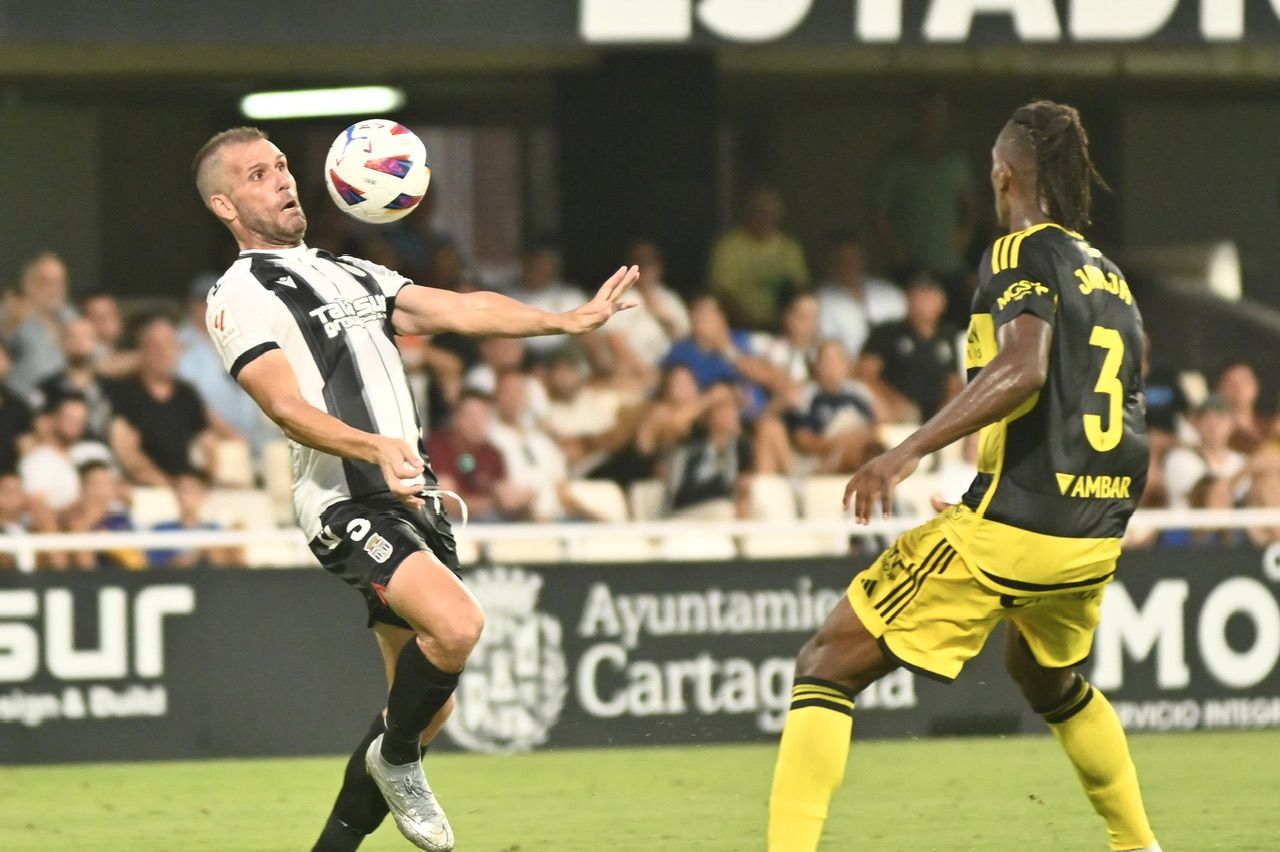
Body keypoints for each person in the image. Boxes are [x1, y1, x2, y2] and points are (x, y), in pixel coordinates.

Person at [192, 126, 636, 852]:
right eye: (256, 174)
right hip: (346, 500)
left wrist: (568, 319)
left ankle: (349, 822)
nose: (281, 179)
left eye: (279, 165)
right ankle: (397, 762)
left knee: (429, 707)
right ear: (225, 204)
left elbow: (459, 309)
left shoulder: (351, 272)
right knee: (458, 626)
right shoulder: (240, 294)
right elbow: (283, 405)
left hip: (411, 500)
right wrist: (371, 445)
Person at [769, 101, 1161, 852]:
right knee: (1045, 677)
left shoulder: (1018, 252)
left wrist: (904, 450)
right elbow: (1111, 407)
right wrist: (1009, 491)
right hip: (1094, 535)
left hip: (1021, 531)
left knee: (825, 664)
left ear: (1003, 174)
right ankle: (1140, 846)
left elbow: (1022, 370)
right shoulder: (1110, 277)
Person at [871, 88, 977, 319]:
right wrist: (897, 253)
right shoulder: (898, 162)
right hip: (912, 264)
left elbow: (969, 204)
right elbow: (879, 213)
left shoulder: (955, 161)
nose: (930, 120)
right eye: (924, 114)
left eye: (936, 114)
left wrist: (965, 235)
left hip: (949, 263)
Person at [108, 314, 234, 485]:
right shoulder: (126, 393)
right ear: (143, 350)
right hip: (144, 488)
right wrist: (165, 485)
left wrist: (205, 480)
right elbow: (126, 451)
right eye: (156, 346)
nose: (164, 352)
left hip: (186, 486)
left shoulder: (186, 393)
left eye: (169, 345)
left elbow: (207, 441)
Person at [855, 270, 963, 423]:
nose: (925, 300)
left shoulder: (949, 335)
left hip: (940, 416)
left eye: (931, 294)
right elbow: (864, 373)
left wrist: (944, 414)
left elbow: (954, 382)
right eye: (919, 294)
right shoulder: (887, 332)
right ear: (908, 298)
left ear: (943, 301)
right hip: (899, 415)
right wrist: (893, 401)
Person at [709, 186, 809, 329]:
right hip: (739, 328)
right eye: (758, 211)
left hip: (782, 329)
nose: (764, 217)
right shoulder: (728, 247)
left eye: (770, 212)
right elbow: (723, 295)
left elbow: (800, 290)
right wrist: (752, 326)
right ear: (747, 213)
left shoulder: (789, 248)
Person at [423, 392, 517, 524]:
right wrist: (493, 503)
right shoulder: (437, 447)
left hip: (489, 524)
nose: (477, 423)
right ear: (456, 418)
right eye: (470, 415)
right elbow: (447, 503)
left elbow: (507, 499)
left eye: (484, 416)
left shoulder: (493, 453)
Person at [815, 231, 907, 358]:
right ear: (831, 264)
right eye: (843, 260)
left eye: (854, 259)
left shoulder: (889, 293)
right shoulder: (820, 300)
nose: (850, 265)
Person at [5, 252, 79, 397]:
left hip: (66, 400)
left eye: (61, 282)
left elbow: (97, 355)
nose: (57, 289)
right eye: (48, 282)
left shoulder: (68, 313)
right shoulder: (14, 312)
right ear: (29, 284)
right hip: (26, 400)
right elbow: (7, 328)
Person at [32, 317, 116, 440]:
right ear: (62, 342)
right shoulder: (46, 388)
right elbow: (39, 426)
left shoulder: (112, 388)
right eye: (73, 337)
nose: (79, 342)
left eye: (86, 337)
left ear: (97, 343)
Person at [505, 239, 588, 359]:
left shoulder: (571, 296)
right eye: (531, 262)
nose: (536, 268)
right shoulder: (508, 296)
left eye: (541, 263)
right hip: (524, 359)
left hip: (564, 358)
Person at [1163, 394, 1245, 510]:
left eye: (1220, 418)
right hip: (1188, 525)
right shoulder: (1179, 458)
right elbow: (1206, 494)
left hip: (1230, 526)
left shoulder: (1239, 460)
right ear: (1196, 423)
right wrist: (1247, 470)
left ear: (1232, 424)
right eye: (1207, 419)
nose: (1214, 425)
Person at [148, 469, 241, 568]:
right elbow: (157, 567)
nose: (185, 496)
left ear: (203, 494)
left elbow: (228, 565)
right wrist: (199, 553)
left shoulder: (215, 529)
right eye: (181, 490)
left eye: (192, 489)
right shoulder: (162, 530)